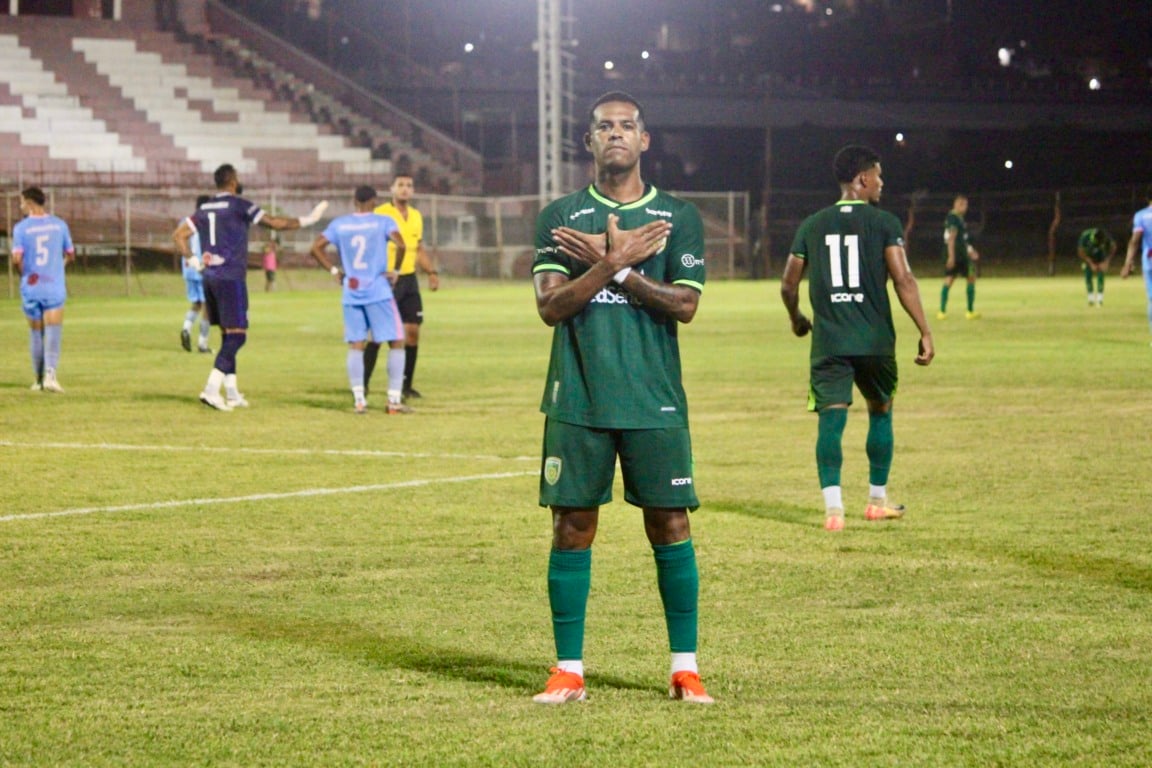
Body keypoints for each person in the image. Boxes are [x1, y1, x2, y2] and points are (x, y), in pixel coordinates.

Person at [529, 91, 712, 705]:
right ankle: (569, 672)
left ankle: (684, 670)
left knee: (670, 523)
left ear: (645, 140)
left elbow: (685, 306)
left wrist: (623, 269)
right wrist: (611, 264)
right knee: (572, 526)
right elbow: (551, 307)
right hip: (577, 397)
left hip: (653, 399)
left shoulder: (677, 217)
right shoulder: (560, 215)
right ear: (588, 141)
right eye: (604, 126)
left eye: (627, 125)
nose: (615, 134)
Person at [780, 144, 935, 532]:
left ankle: (834, 511)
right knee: (880, 410)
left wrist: (797, 318)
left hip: (829, 342)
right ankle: (876, 501)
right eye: (878, 176)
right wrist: (925, 330)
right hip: (874, 341)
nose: (881, 183)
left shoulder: (812, 225)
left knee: (830, 421)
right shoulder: (884, 224)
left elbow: (788, 283)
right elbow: (903, 279)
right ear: (862, 179)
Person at [172, 164, 327, 411]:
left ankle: (232, 392)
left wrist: (191, 259)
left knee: (226, 334)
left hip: (210, 276)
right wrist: (310, 219)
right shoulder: (239, 205)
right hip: (231, 276)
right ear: (232, 181)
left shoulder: (204, 209)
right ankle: (211, 389)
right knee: (238, 335)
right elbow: (274, 223)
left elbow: (178, 235)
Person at [308, 186, 410, 414]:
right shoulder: (383, 222)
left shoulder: (340, 224)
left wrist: (335, 272)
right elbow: (402, 244)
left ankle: (359, 401)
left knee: (356, 344)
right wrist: (395, 270)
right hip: (377, 291)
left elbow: (315, 248)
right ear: (374, 201)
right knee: (396, 341)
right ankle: (393, 400)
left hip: (351, 291)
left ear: (354, 201)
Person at [365, 173, 439, 399]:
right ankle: (363, 384)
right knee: (377, 334)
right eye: (401, 185)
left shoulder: (416, 216)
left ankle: (406, 386)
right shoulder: (381, 213)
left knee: (413, 332)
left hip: (409, 280)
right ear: (392, 189)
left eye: (409, 185)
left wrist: (431, 272)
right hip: (385, 279)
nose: (405, 189)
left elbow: (417, 248)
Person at [12, 187, 74, 393]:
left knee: (36, 333)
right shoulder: (59, 225)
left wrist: (26, 274)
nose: (20, 206)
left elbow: (16, 259)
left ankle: (38, 380)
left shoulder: (21, 228)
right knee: (54, 330)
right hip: (53, 286)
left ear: (29, 203)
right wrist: (59, 268)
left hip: (31, 286)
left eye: (21, 202)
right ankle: (50, 375)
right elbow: (70, 254)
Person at [937, 194, 981, 319]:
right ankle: (947, 311)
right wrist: (951, 257)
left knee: (962, 278)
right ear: (957, 204)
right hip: (957, 255)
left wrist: (970, 250)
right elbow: (951, 238)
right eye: (964, 204)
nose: (966, 207)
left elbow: (962, 239)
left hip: (962, 253)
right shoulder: (953, 218)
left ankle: (946, 311)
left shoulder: (959, 218)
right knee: (954, 279)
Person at [180, 194, 213, 354]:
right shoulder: (206, 222)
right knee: (208, 307)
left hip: (188, 270)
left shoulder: (185, 222)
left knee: (197, 303)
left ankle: (186, 328)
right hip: (202, 269)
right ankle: (202, 344)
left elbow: (180, 241)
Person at [1121, 184, 1152, 341]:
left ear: (1147, 198)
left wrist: (1128, 263)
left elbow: (1134, 241)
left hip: (1149, 261)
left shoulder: (1141, 216)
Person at [1076, 227, 1116, 306]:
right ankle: (1090, 299)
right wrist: (1091, 263)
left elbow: (1113, 247)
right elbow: (1080, 252)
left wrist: (1106, 261)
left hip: (1101, 256)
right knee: (1088, 275)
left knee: (1101, 274)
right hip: (1088, 256)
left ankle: (1100, 299)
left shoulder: (1105, 237)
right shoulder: (1085, 236)